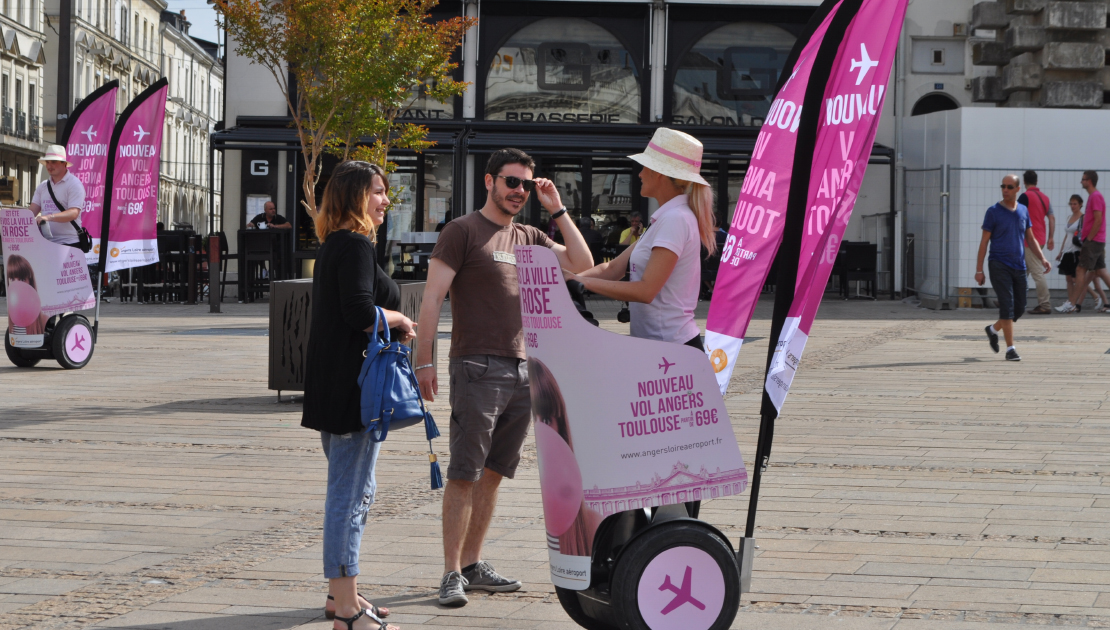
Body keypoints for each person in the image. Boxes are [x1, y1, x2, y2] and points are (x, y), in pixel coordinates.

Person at [413, 148, 593, 608]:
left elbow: (582, 265)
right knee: (464, 472)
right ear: (490, 181)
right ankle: (451, 572)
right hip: (476, 365)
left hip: (523, 369)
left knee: (493, 474)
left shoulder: (529, 235)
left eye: (526, 185)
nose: (519, 192)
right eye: (511, 182)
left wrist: (558, 210)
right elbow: (432, 298)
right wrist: (423, 361)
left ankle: (473, 565)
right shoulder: (462, 232)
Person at [301, 161, 413, 630]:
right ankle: (347, 613)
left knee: (354, 493)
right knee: (349, 499)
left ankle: (341, 594)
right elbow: (358, 312)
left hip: (336, 387)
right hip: (354, 392)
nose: (385, 200)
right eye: (377, 192)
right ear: (353, 198)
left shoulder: (335, 245)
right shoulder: (354, 245)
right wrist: (401, 321)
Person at [564, 128, 718, 350]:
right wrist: (566, 280)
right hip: (665, 346)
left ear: (659, 173)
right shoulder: (667, 218)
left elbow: (646, 291)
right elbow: (613, 268)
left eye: (645, 167)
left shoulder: (675, 219)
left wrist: (579, 281)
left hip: (669, 349)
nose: (640, 174)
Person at [528, 357, 603, 557]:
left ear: (561, 425)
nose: (540, 430)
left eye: (545, 419)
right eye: (533, 418)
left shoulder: (590, 522)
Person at [976, 174, 1050, 362]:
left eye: (1010, 187)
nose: (1005, 190)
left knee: (1019, 308)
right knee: (1007, 306)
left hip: (1019, 265)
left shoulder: (1023, 210)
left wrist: (1042, 258)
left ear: (1018, 189)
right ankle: (1011, 349)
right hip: (999, 264)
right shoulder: (993, 212)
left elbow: (1031, 238)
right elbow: (984, 242)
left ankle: (992, 330)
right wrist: (979, 270)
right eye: (1003, 186)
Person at [1055, 195, 1105, 313]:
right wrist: (1061, 251)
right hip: (1067, 250)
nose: (1073, 206)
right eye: (1071, 204)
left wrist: (1083, 250)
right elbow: (1067, 235)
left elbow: (1084, 234)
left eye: (1075, 204)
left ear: (1080, 204)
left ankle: (1094, 295)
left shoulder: (1083, 218)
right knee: (1068, 278)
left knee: (1076, 278)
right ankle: (1070, 302)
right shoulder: (1069, 217)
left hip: (1076, 250)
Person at [29, 145, 85, 247]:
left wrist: (47, 217)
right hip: (46, 243)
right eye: (47, 162)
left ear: (64, 164)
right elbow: (31, 212)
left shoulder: (74, 184)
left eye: (54, 162)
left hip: (69, 243)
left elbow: (73, 213)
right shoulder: (43, 186)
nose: (49, 166)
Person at [1070, 171, 1110, 313]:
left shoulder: (1096, 197)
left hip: (1094, 241)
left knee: (1080, 269)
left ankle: (1072, 304)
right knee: (1101, 272)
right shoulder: (1094, 197)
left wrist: (1089, 239)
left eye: (1083, 179)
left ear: (1090, 181)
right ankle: (1075, 304)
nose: (1081, 182)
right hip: (1096, 240)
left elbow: (1098, 220)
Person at [1017, 170, 1054, 314]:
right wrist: (1051, 237)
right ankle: (1011, 299)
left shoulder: (1024, 197)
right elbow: (1051, 218)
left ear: (1024, 182)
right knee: (1022, 271)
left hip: (1029, 239)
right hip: (1041, 238)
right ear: (1037, 182)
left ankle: (1045, 305)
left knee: (1037, 272)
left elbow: (1017, 216)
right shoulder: (1045, 198)